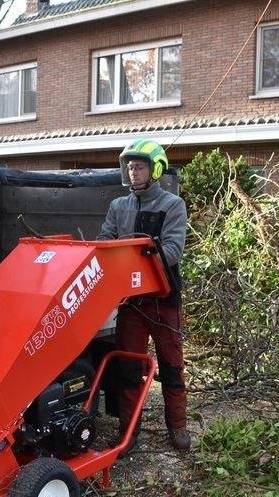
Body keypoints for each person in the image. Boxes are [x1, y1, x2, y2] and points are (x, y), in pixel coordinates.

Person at [97, 139, 191, 452]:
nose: (133, 172)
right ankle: (129, 433)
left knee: (171, 365)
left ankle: (177, 426)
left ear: (155, 169)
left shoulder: (172, 205)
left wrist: (134, 256)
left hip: (164, 299)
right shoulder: (118, 206)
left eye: (139, 167)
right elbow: (105, 242)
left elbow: (173, 250)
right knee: (128, 368)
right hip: (131, 302)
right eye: (130, 167)